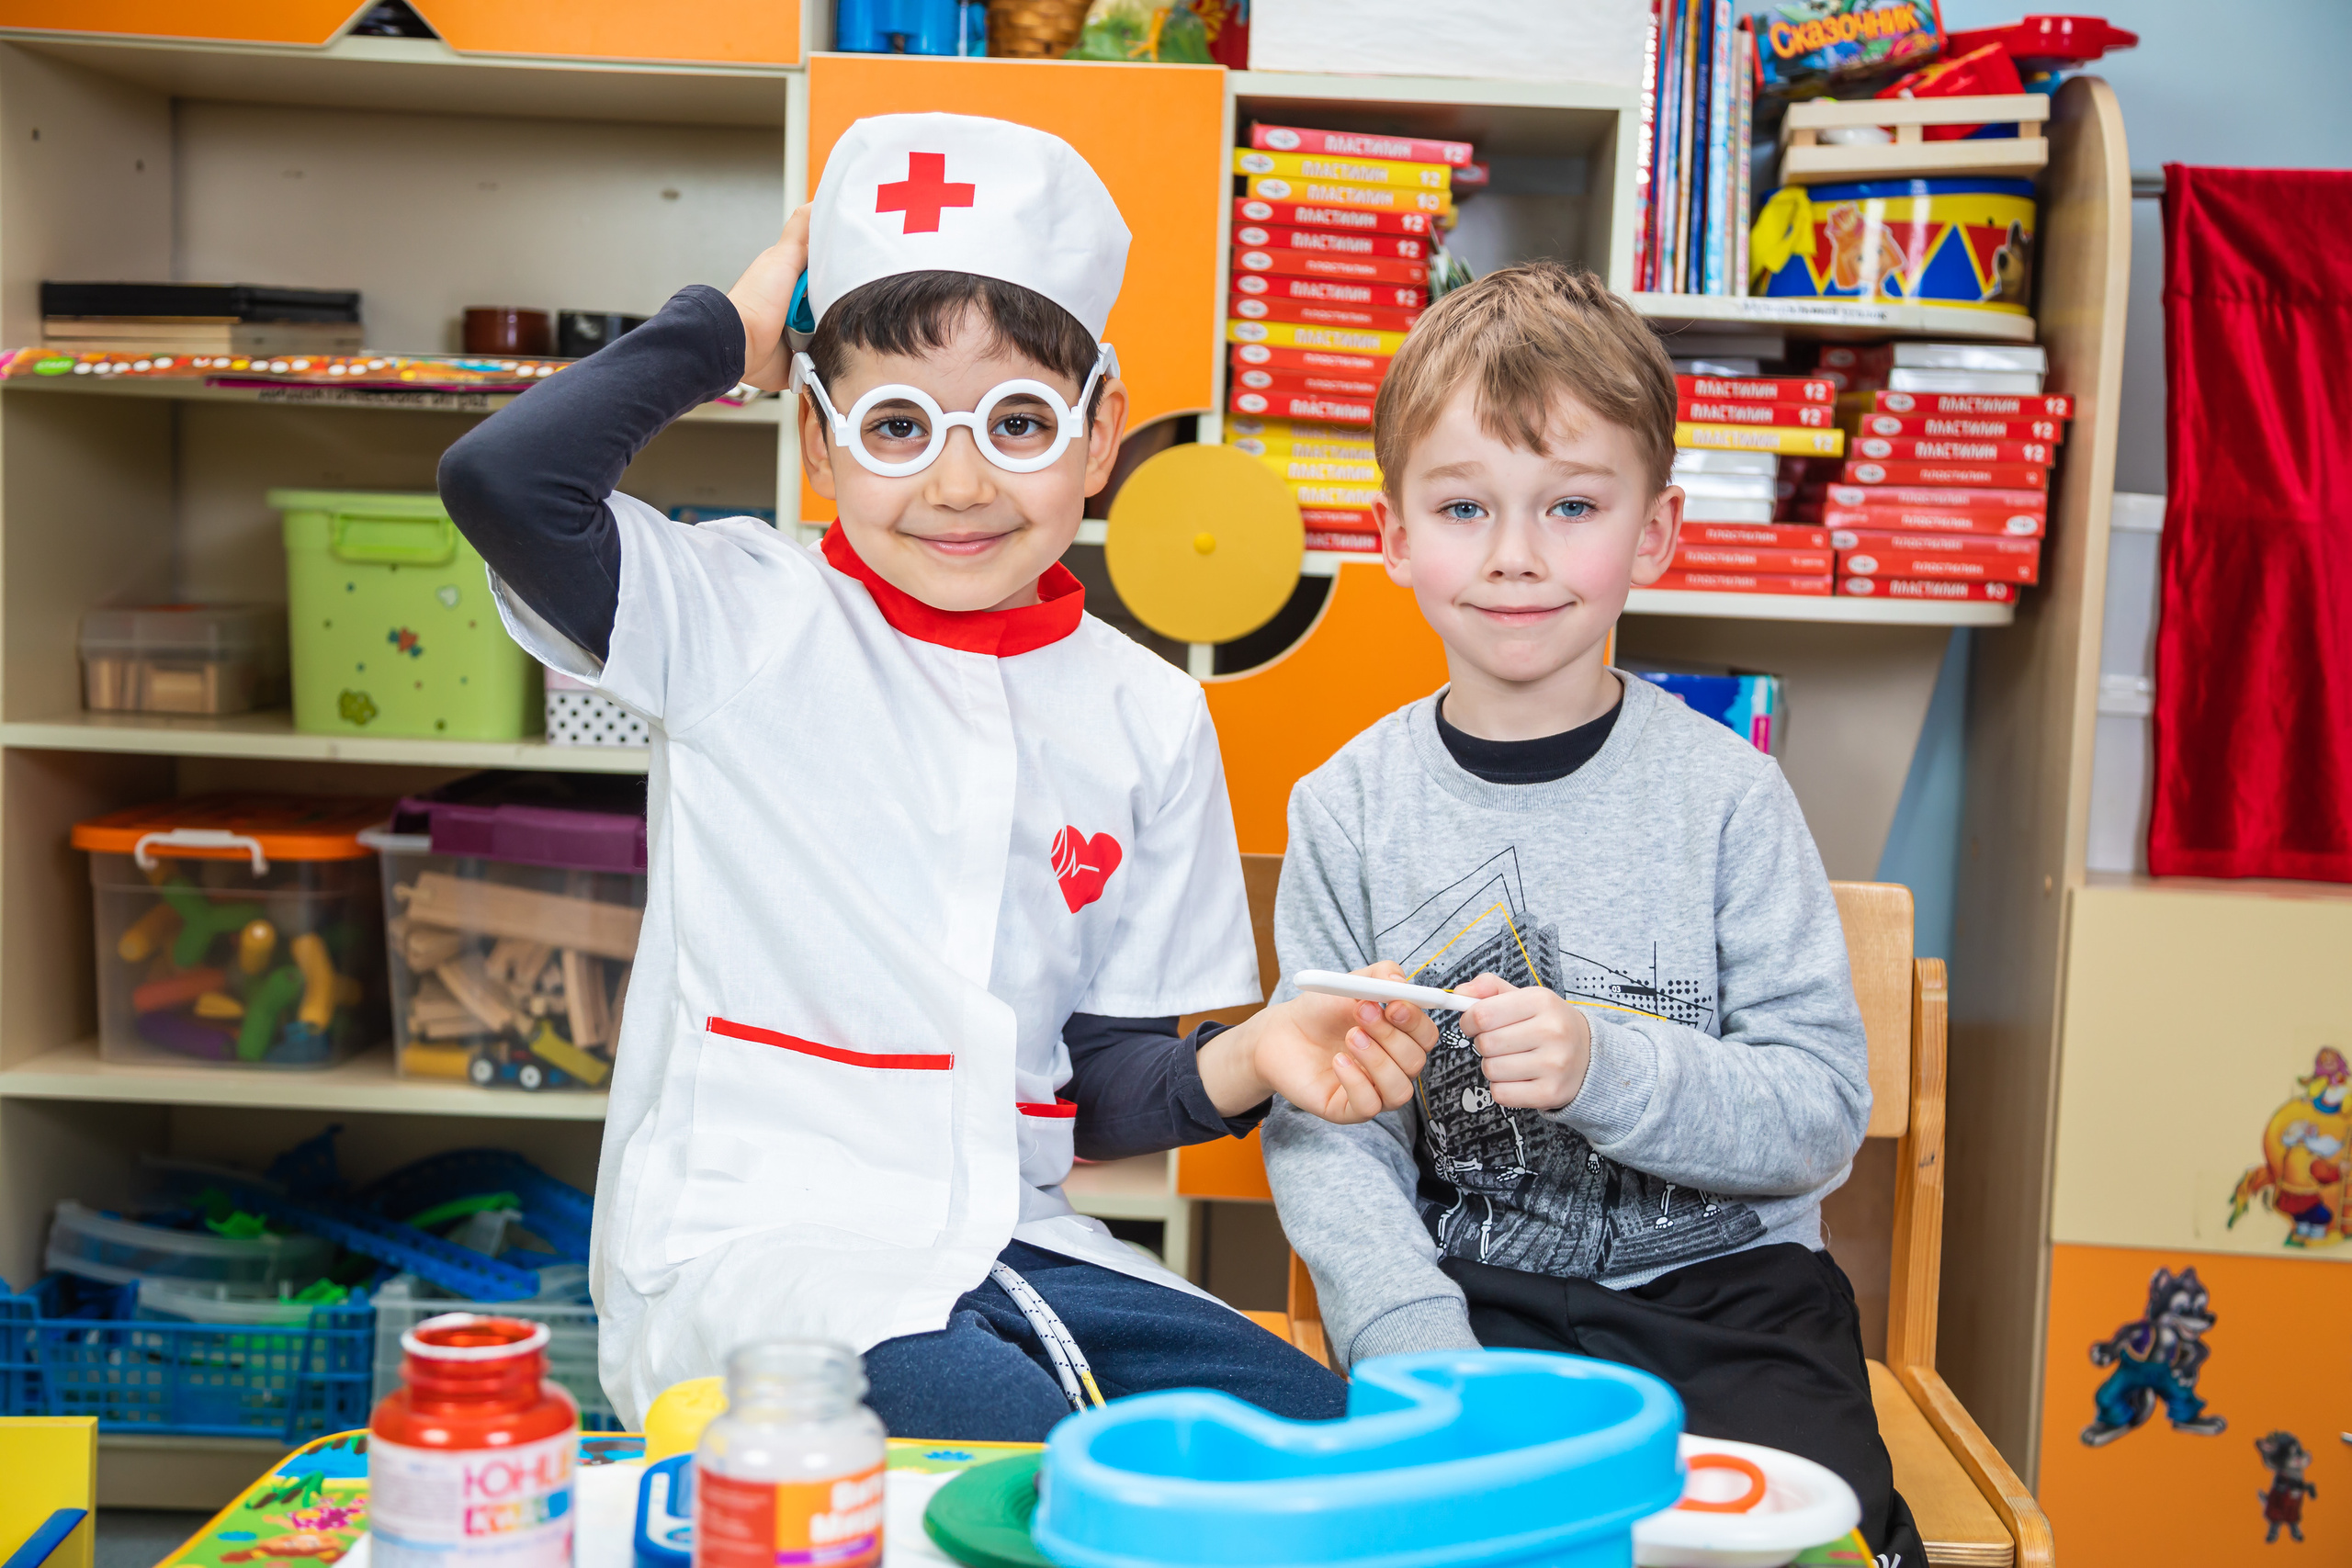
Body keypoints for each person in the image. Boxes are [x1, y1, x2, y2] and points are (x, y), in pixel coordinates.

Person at [436, 112, 1430, 1438]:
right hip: (763, 1251)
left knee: (1329, 1442)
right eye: (898, 426)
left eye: (1019, 421)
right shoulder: (733, 617)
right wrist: (721, 336)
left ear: (1101, 434)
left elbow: (1103, 1090)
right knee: (1004, 1448)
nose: (959, 482)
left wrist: (1251, 1056)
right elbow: (504, 480)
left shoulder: (1149, 713)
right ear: (820, 437)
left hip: (1010, 1245)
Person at [1261, 261, 1923, 1564]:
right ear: (1392, 536)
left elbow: (1817, 1115)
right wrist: (1414, 1347)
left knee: (1809, 1542)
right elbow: (1333, 1141)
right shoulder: (1346, 810)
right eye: (1463, 507)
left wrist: (1601, 1067)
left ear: (1655, 534)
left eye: (1572, 505)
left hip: (1737, 1308)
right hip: (1475, 1307)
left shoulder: (1732, 799)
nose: (1515, 556)